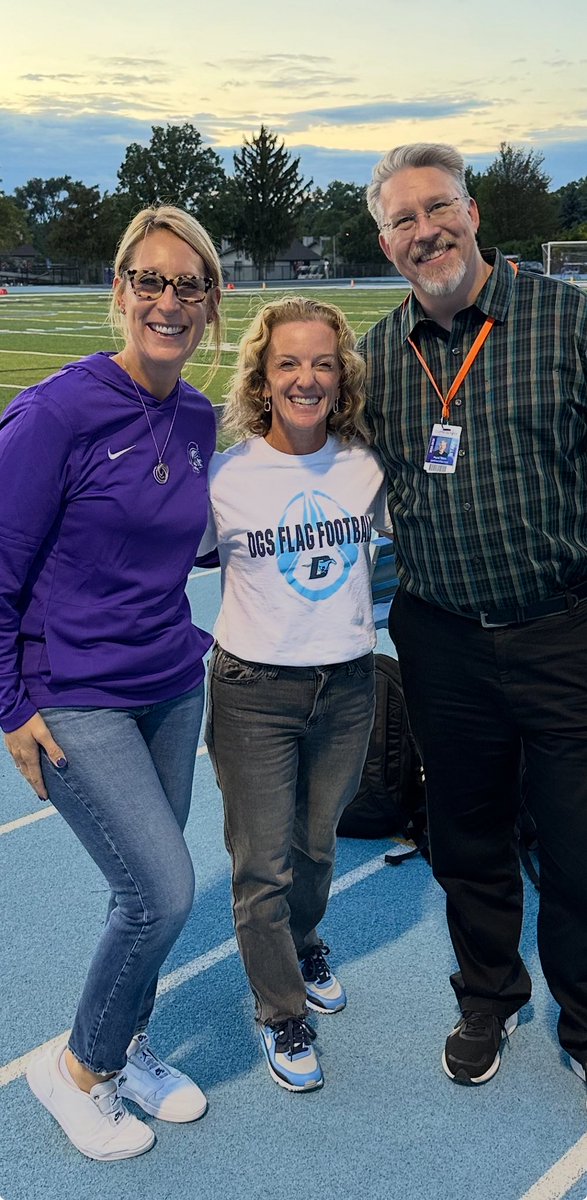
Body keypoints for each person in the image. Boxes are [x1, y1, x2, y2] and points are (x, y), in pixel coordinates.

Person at [359, 142, 587, 1096]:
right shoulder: (377, 354)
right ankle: (486, 996)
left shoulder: (566, 321)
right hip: (440, 638)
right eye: (402, 221)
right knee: (466, 835)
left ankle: (582, 1012)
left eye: (437, 208)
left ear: (473, 211)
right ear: (385, 242)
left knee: (575, 843)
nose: (425, 232)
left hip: (560, 628)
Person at [0, 205, 223, 1159]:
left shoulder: (202, 416)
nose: (167, 302)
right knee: (164, 893)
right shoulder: (56, 411)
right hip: (75, 694)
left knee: (137, 884)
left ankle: (127, 1047)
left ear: (212, 304)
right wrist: (11, 708)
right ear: (119, 292)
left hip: (171, 683)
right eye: (150, 281)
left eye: (188, 285)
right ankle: (77, 1067)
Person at [201, 296, 391, 1092]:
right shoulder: (227, 474)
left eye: (321, 363)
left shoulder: (365, 463)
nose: (305, 379)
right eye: (289, 364)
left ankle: (305, 943)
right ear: (263, 375)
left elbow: (394, 549)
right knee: (261, 867)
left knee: (317, 849)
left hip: (348, 684)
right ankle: (280, 1012)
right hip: (253, 692)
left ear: (339, 375)